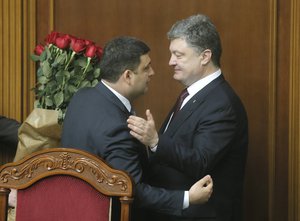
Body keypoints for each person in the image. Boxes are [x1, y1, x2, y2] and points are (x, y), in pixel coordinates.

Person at [61, 36, 213, 221]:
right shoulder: (119, 128)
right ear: (128, 76)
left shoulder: (82, 97)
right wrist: (188, 198)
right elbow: (132, 191)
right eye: (146, 67)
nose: (152, 73)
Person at [127, 14, 248, 221]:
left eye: (179, 55)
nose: (170, 62)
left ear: (205, 56)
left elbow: (200, 160)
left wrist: (155, 141)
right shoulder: (195, 93)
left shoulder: (222, 104)